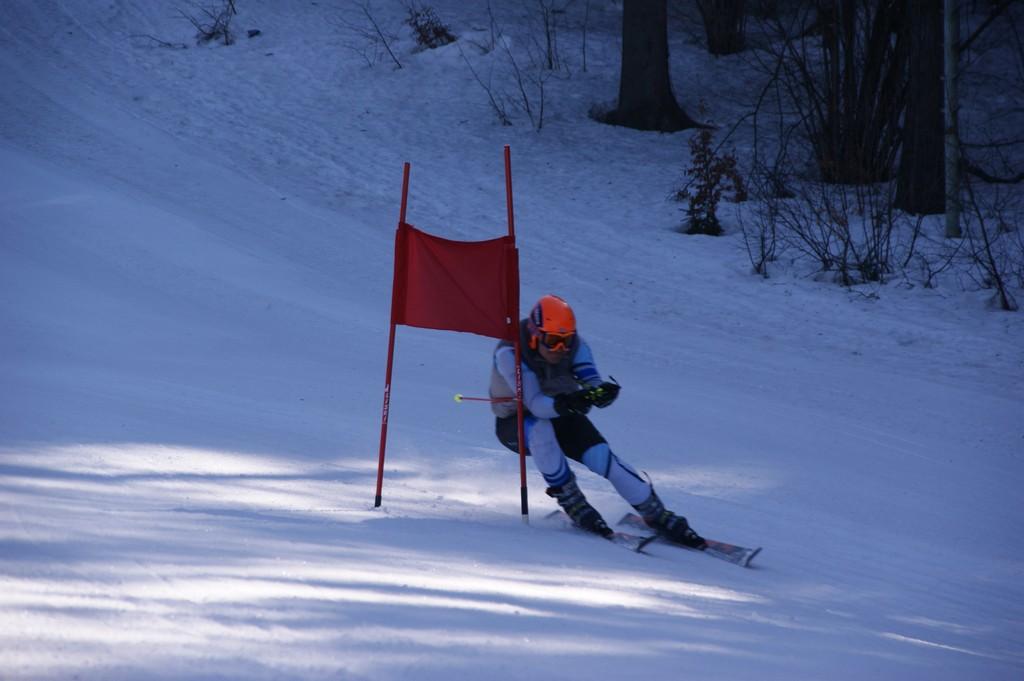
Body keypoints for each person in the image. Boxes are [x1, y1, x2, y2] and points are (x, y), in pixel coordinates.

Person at [489, 294, 706, 548]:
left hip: (560, 412)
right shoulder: (510, 351)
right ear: (536, 335)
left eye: (566, 342)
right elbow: (536, 404)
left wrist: (599, 393)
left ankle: (655, 512)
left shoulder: (576, 346)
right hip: (516, 423)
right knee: (541, 429)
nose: (560, 350)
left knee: (602, 456)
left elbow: (590, 379)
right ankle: (571, 499)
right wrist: (569, 402)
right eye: (553, 342)